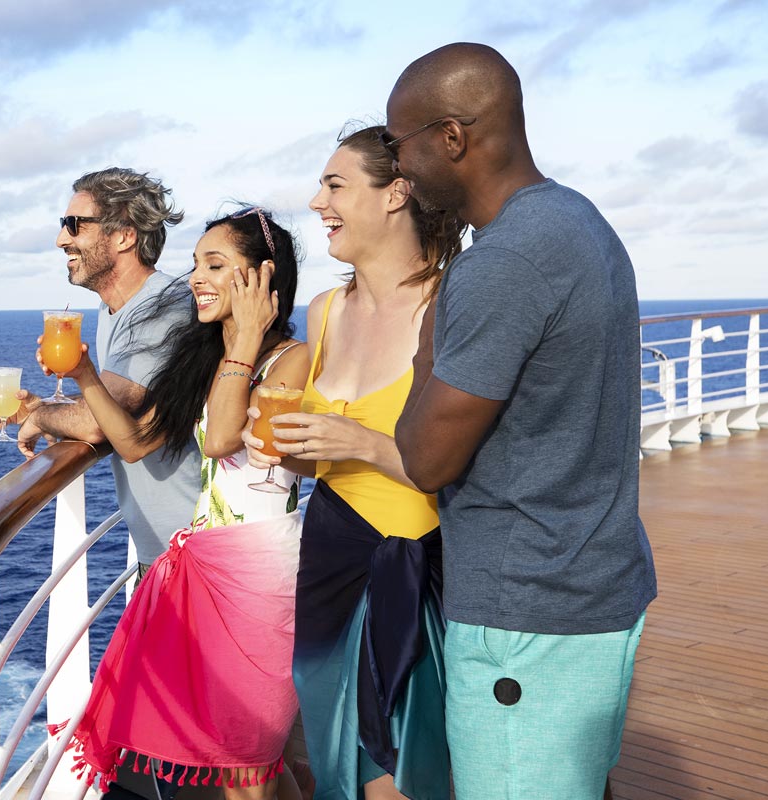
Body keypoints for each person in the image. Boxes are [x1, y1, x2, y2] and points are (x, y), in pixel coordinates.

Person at [385, 43, 657, 799]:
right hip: (594, 585)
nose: (398, 168)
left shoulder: (502, 263)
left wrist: (429, 337)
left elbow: (426, 458)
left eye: (397, 143)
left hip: (526, 619)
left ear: (451, 137)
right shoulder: (578, 219)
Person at [49, 206, 310, 800]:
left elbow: (221, 439)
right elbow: (137, 442)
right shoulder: (205, 355)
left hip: (262, 571)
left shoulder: (286, 359)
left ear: (263, 279)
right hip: (204, 567)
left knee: (250, 764)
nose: (196, 276)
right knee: (244, 764)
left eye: (216, 265)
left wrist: (243, 340)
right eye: (195, 263)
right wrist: (87, 371)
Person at [247, 126, 464, 800]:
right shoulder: (325, 311)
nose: (317, 203)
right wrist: (297, 452)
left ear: (396, 193)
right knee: (337, 760)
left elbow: (473, 466)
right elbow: (325, 461)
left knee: (398, 772)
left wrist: (359, 442)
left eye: (335, 185)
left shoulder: (451, 304)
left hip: (415, 560)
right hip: (330, 557)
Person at [0, 167, 201, 580]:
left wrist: (39, 416)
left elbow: (98, 422)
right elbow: (107, 407)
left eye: (74, 225)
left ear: (124, 235)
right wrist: (40, 405)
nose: (61, 239)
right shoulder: (113, 306)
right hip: (168, 553)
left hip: (193, 555)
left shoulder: (162, 310)